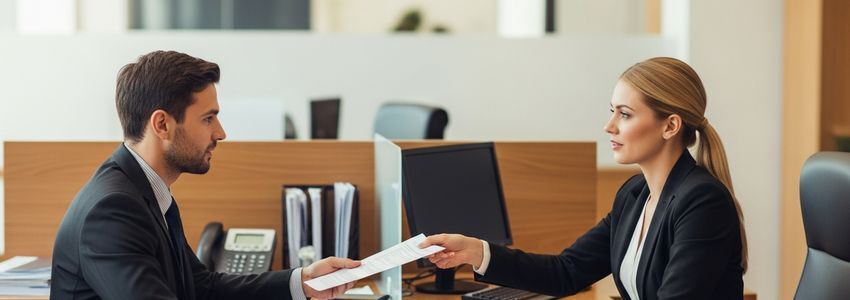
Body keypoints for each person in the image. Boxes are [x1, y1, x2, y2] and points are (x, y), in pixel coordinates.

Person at [420, 57, 747, 300]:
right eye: (612, 111)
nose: (609, 126)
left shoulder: (702, 203)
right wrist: (476, 251)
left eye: (625, 114)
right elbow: (568, 271)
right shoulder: (635, 194)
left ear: (670, 126)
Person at [50, 50, 358, 300]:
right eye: (208, 119)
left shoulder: (145, 192)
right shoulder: (113, 211)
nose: (220, 133)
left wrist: (302, 282)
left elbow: (200, 288)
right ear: (162, 125)